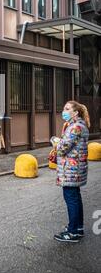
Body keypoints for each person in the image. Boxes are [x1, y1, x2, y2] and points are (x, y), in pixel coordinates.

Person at [53, 101, 90, 243]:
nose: (64, 111)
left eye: (67, 109)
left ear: (75, 112)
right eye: (64, 108)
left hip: (71, 170)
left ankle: (73, 232)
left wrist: (56, 142)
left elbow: (62, 149)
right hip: (75, 170)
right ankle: (78, 228)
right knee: (75, 198)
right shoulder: (79, 125)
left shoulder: (75, 127)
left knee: (71, 200)